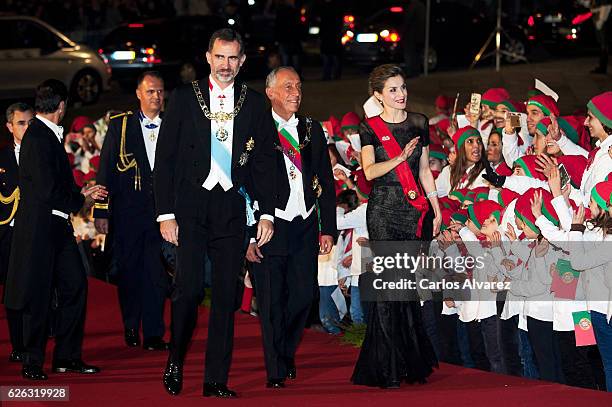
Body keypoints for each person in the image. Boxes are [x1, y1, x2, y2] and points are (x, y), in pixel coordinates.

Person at [154, 29, 277, 398]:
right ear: (208, 57)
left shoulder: (254, 104)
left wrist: (266, 214)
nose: (226, 65)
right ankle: (175, 357)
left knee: (226, 296)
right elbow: (165, 160)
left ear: (242, 61)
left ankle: (214, 379)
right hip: (190, 207)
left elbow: (264, 163)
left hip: (230, 209)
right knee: (188, 291)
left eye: (233, 58)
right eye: (220, 57)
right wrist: (165, 215)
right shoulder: (183, 98)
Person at [4, 79, 107, 380]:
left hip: (57, 225)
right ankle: (32, 362)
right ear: (62, 106)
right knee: (39, 294)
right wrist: (82, 197)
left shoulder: (44, 135)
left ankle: (66, 356)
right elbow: (48, 190)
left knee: (75, 285)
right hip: (40, 228)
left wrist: (80, 193)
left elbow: (53, 185)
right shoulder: (38, 136)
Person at [246, 66, 336, 388]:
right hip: (270, 227)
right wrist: (249, 233)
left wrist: (328, 229)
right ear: (270, 92)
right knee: (270, 301)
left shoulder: (312, 129)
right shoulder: (255, 130)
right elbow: (241, 185)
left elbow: (325, 180)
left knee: (303, 297)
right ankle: (275, 369)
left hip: (304, 223)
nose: (295, 92)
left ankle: (284, 352)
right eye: (287, 87)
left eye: (298, 86)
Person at [351, 64, 440, 388]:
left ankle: (406, 362)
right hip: (384, 212)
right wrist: (400, 158)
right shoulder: (368, 128)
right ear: (378, 95)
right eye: (392, 89)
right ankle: (385, 367)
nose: (400, 94)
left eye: (402, 87)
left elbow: (426, 170)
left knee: (404, 287)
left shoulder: (419, 122)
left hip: (412, 210)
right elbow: (370, 172)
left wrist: (436, 206)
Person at [94, 71, 169, 351]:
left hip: (162, 214)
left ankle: (153, 333)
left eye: (160, 92)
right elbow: (106, 169)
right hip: (127, 213)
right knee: (128, 272)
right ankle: (130, 325)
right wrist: (102, 212)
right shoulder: (120, 125)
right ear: (138, 94)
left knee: (156, 275)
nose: (156, 97)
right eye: (150, 92)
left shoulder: (174, 125)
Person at [1, 102, 33, 363]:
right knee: (14, 291)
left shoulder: (45, 153)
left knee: (38, 289)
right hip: (10, 234)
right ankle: (18, 344)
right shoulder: (2, 159)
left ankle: (36, 340)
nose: (27, 128)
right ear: (9, 126)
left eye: (30, 122)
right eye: (21, 123)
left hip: (39, 233)